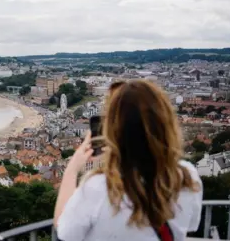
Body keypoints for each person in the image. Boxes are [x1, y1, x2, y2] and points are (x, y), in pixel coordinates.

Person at [54, 80, 202, 241]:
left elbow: (64, 232)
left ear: (112, 130)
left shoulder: (98, 186)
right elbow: (192, 225)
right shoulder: (187, 176)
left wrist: (72, 168)